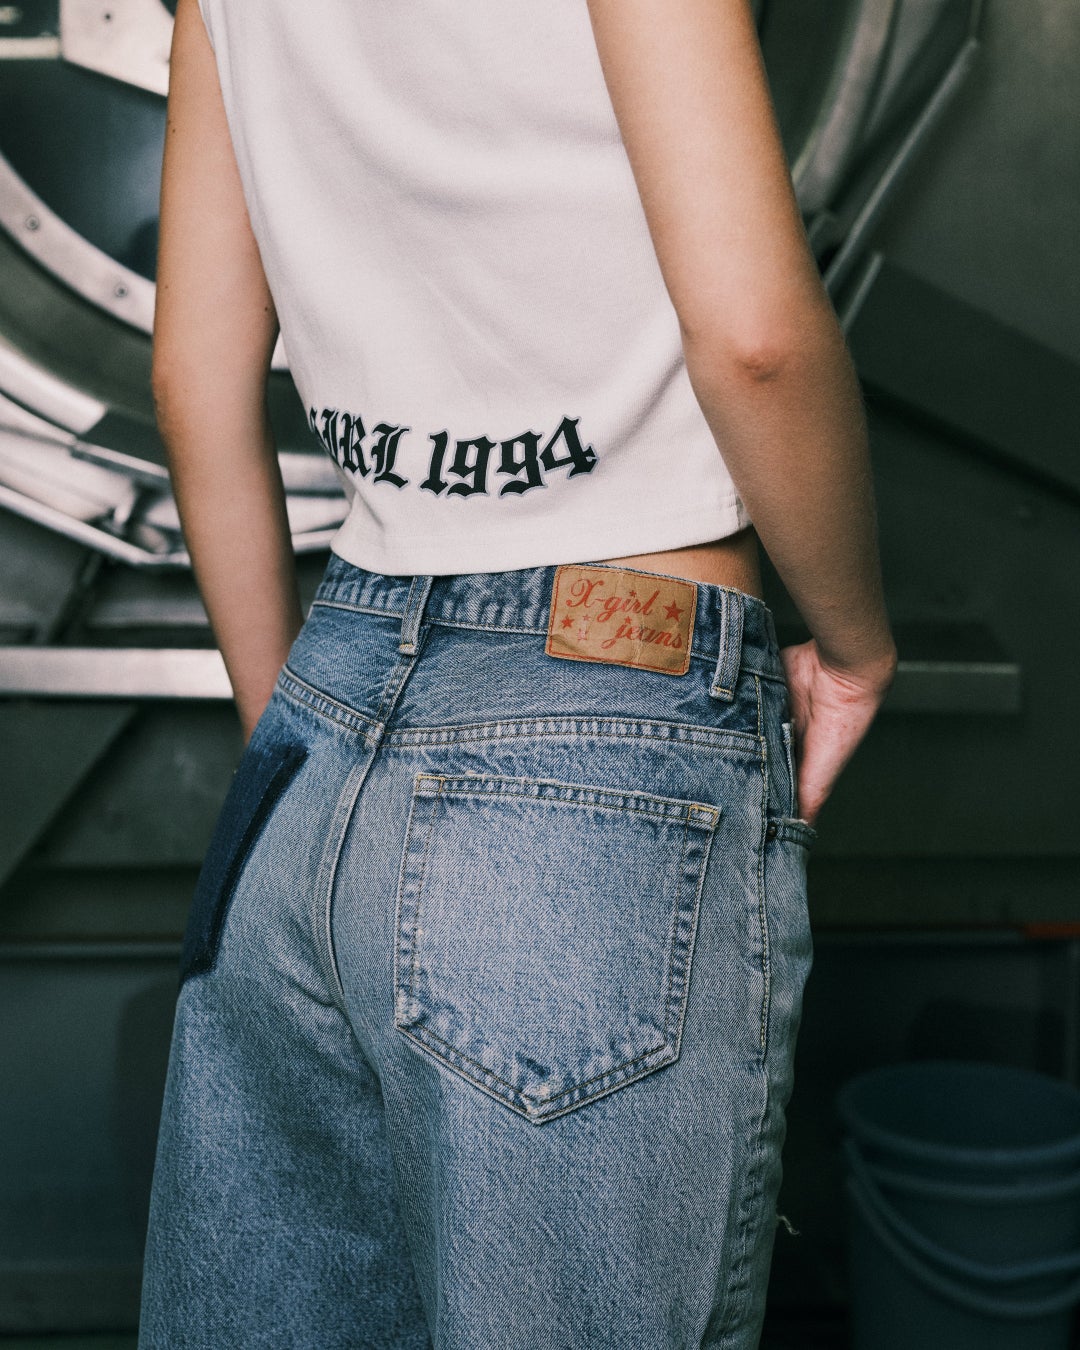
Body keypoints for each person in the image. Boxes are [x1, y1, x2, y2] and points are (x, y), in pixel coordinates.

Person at [139, 0, 897, 1345]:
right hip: (597, 723)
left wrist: (292, 751)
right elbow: (757, 340)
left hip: (319, 735)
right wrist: (853, 643)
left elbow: (195, 381)